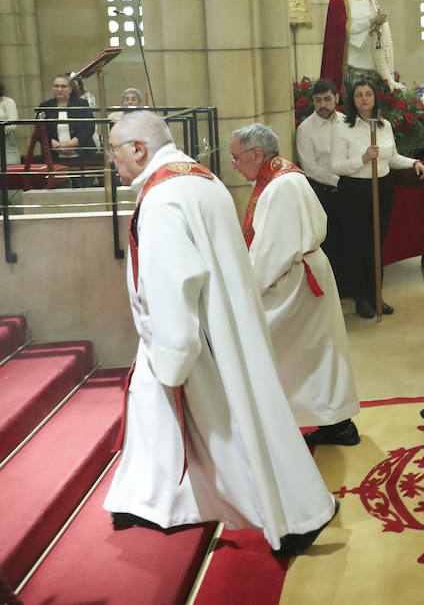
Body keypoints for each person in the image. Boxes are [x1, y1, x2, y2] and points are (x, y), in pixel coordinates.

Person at [102, 111, 338, 556]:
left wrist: (171, 352)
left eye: (113, 150)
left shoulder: (162, 198)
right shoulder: (200, 177)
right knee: (166, 420)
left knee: (231, 436)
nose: (110, 161)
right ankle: (152, 501)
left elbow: (173, 282)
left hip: (195, 335)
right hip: (225, 324)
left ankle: (294, 517)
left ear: (138, 149)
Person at [230, 124, 361, 446]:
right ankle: (333, 423)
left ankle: (318, 423)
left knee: (276, 347)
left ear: (257, 154)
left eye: (236, 157)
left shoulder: (281, 186)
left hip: (293, 281)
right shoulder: (279, 178)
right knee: (314, 354)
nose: (233, 164)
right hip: (298, 276)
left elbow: (271, 254)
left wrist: (242, 289)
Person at [331, 79, 424, 317]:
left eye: (368, 94)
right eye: (359, 95)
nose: (364, 98)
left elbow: (391, 158)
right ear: (352, 101)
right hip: (354, 191)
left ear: (375, 98)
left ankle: (377, 295)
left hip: (382, 187)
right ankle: (361, 298)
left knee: (376, 244)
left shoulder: (384, 125)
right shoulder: (343, 128)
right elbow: (336, 166)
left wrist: (414, 162)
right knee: (357, 246)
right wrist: (362, 159)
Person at [319, 0, 398, 93]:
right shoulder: (337, 2)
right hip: (350, 68)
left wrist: (379, 24)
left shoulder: (371, 0)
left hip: (373, 67)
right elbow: (344, 29)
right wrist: (372, 21)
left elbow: (376, 31)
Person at [294, 77, 346, 269]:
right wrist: (339, 181)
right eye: (318, 100)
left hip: (350, 188)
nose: (323, 105)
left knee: (351, 239)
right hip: (323, 193)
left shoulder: (348, 122)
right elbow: (309, 168)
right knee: (329, 242)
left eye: (327, 99)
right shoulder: (305, 129)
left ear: (337, 98)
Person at [37, 74, 98, 167]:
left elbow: (89, 128)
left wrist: (71, 144)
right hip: (54, 157)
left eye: (63, 86)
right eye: (56, 86)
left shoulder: (82, 104)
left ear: (70, 89)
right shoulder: (45, 106)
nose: (59, 89)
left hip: (82, 156)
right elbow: (39, 131)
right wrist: (54, 144)